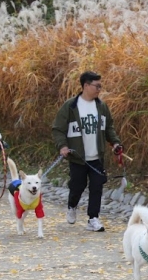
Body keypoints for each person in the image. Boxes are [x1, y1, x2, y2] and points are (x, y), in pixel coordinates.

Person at [52, 71, 122, 232]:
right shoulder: (70, 107)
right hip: (77, 157)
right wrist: (62, 146)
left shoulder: (101, 106)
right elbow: (58, 129)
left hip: (97, 157)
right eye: (97, 86)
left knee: (97, 186)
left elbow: (109, 127)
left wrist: (116, 143)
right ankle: (72, 205)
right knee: (77, 185)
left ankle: (93, 218)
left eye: (100, 86)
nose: (99, 89)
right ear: (85, 86)